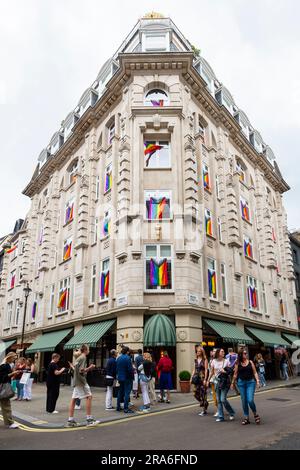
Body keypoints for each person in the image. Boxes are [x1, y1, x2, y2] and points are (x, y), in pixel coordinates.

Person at [67, 344, 100, 427]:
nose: (89, 351)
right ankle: (89, 420)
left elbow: (75, 369)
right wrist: (90, 367)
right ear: (85, 350)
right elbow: (82, 371)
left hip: (76, 381)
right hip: (81, 381)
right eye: (88, 349)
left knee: (74, 399)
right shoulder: (83, 357)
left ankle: (70, 421)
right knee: (89, 396)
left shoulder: (78, 358)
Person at [231, 348, 261, 425]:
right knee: (244, 401)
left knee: (250, 400)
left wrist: (257, 381)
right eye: (244, 353)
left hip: (250, 382)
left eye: (246, 353)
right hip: (241, 383)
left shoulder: (250, 362)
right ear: (241, 354)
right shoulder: (238, 363)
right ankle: (246, 417)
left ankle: (255, 414)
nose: (246, 354)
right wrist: (232, 383)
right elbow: (235, 374)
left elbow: (255, 372)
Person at [208, 348, 235, 422]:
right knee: (218, 400)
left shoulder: (226, 361)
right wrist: (208, 380)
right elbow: (212, 372)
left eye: (223, 351)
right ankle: (221, 417)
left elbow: (230, 372)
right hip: (217, 382)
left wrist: (225, 372)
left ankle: (231, 412)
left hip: (225, 382)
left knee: (223, 399)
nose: (223, 352)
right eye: (222, 351)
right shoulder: (213, 361)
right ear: (218, 353)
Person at [0, 352, 22, 428]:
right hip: (3, 388)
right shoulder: (4, 366)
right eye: (13, 358)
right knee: (6, 406)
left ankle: (9, 423)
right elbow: (3, 377)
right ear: (9, 358)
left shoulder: (6, 365)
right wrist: (14, 373)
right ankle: (10, 423)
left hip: (3, 387)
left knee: (5, 405)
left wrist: (14, 373)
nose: (14, 359)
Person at [116, 346, 134, 414]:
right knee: (127, 393)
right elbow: (129, 369)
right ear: (127, 352)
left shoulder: (119, 358)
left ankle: (118, 407)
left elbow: (117, 369)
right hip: (127, 378)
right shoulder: (128, 358)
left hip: (120, 377)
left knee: (120, 392)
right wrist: (133, 373)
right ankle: (126, 408)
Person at [191, 346, 209, 416]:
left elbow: (206, 370)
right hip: (196, 378)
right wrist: (191, 377)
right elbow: (194, 369)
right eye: (197, 351)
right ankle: (204, 403)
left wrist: (205, 379)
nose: (198, 352)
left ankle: (204, 410)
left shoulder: (205, 360)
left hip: (202, 378)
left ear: (202, 352)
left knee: (203, 393)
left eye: (199, 351)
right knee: (195, 393)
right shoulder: (195, 359)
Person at [208, 349, 218, 417]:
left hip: (218, 380)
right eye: (212, 351)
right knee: (215, 396)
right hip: (212, 380)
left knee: (219, 397)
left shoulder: (221, 360)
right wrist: (208, 379)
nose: (212, 352)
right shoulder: (211, 360)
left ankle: (220, 409)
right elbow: (210, 371)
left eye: (214, 351)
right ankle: (218, 410)